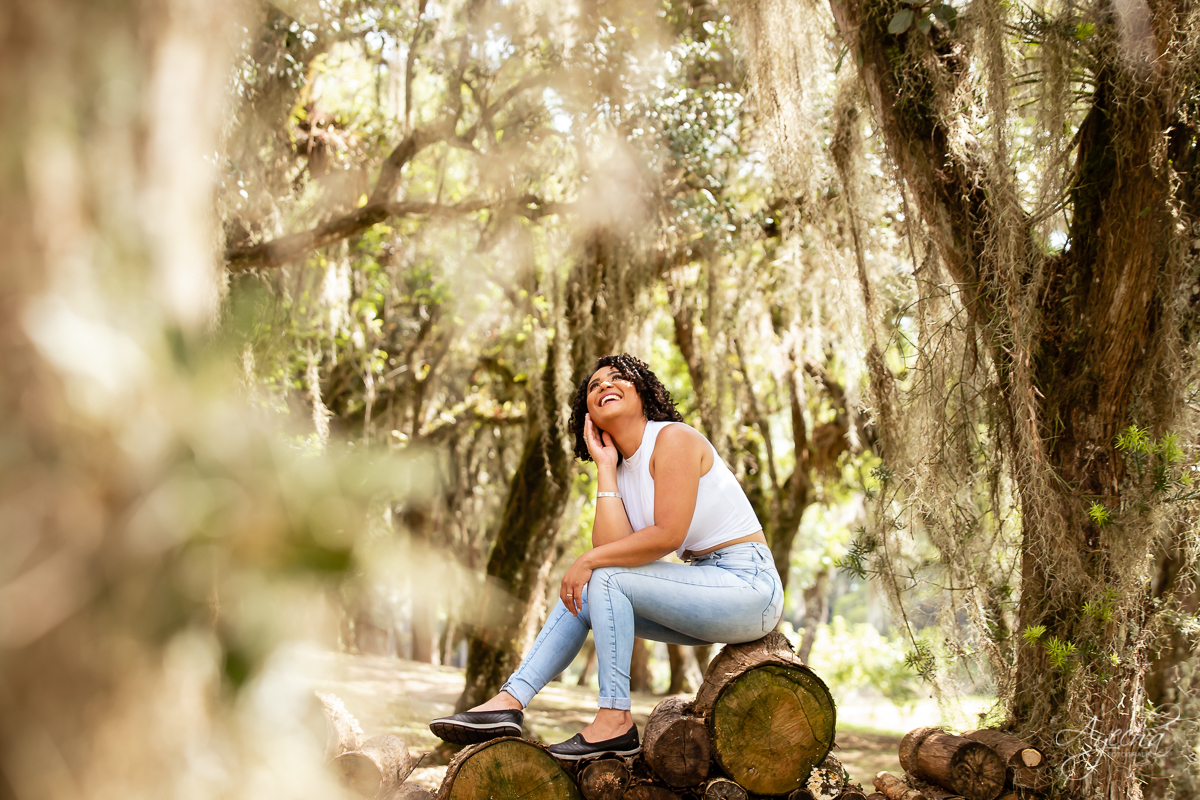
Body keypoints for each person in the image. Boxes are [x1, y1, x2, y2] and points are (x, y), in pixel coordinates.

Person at [430, 353, 783, 760]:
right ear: (588, 416)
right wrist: (605, 467)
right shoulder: (621, 465)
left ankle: (615, 718)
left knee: (598, 574)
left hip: (748, 586)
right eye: (594, 386)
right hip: (707, 590)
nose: (604, 387)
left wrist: (586, 561)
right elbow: (612, 553)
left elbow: (667, 535)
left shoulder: (674, 439)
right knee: (590, 589)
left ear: (644, 391)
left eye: (618, 378)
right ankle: (509, 702)